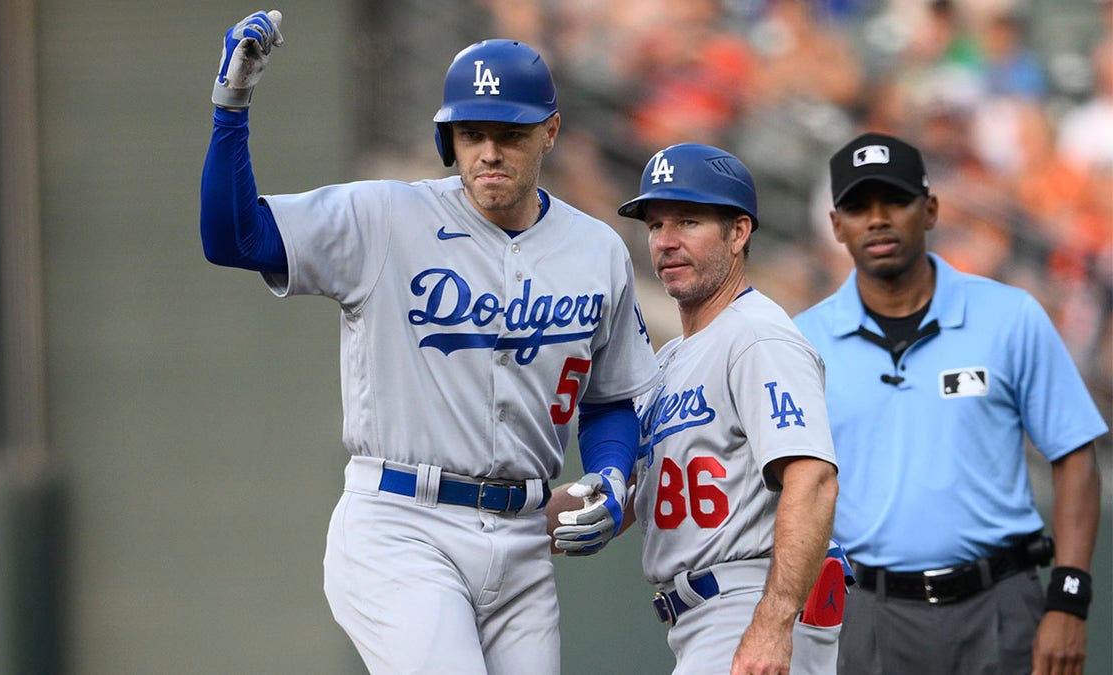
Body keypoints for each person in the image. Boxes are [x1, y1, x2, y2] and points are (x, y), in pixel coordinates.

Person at [199, 11, 659, 674]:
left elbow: (611, 397)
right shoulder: (387, 217)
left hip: (525, 540)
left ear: (550, 132)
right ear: (449, 138)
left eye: (511, 134)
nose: (489, 152)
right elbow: (232, 237)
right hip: (402, 524)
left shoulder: (596, 250)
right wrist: (231, 105)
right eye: (472, 134)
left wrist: (613, 474)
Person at [793, 131, 1107, 675]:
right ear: (836, 223)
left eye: (895, 200)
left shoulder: (1010, 316)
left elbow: (1075, 455)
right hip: (867, 611)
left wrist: (1069, 599)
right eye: (858, 206)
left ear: (931, 209)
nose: (878, 219)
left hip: (1000, 605)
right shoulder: (802, 342)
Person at [551, 143, 844, 675]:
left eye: (688, 221)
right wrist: (498, 520)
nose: (666, 242)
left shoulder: (757, 336)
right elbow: (634, 496)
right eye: (656, 224)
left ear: (738, 232)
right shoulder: (669, 360)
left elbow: (814, 478)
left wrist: (773, 623)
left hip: (750, 601)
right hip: (701, 619)